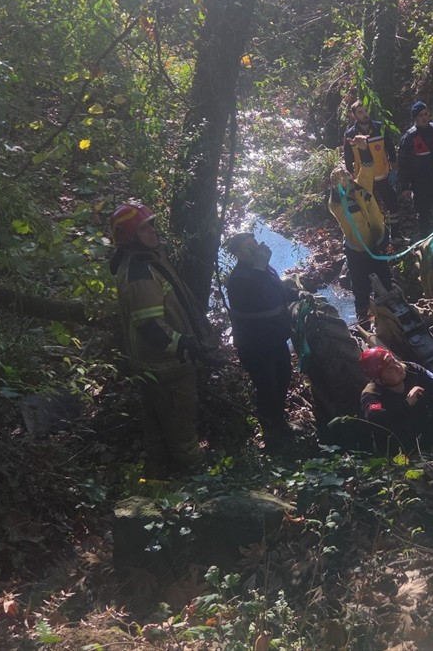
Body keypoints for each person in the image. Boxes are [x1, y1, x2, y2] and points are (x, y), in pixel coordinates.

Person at [109, 202, 214, 474]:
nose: (152, 232)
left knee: (157, 430)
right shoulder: (139, 273)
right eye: (144, 229)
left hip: (158, 366)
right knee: (182, 432)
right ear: (129, 237)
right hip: (166, 368)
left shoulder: (148, 260)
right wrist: (184, 344)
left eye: (152, 225)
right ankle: (196, 485)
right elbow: (149, 326)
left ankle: (159, 482)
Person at [223, 232, 304, 451]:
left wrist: (294, 293)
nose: (255, 248)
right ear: (238, 253)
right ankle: (272, 435)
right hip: (255, 345)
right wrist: (259, 267)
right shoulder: (238, 279)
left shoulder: (265, 269)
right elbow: (252, 294)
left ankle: (281, 423)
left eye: (255, 243)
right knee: (267, 387)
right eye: (248, 247)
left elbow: (275, 289)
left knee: (283, 379)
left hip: (275, 339)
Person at [321, 347, 433, 458]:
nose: (397, 367)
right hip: (401, 447)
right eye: (389, 370)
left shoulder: (411, 369)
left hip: (427, 428)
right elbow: (377, 419)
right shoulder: (372, 396)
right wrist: (406, 404)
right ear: (379, 379)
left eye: (394, 361)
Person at [328, 165, 393, 321]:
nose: (345, 180)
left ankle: (386, 309)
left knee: (384, 278)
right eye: (340, 180)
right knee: (360, 285)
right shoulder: (336, 204)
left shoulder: (361, 186)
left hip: (377, 242)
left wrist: (363, 148)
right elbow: (334, 201)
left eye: (346, 176)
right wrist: (338, 189)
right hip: (357, 250)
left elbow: (368, 167)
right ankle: (362, 315)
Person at [396, 100, 433, 236]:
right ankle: (425, 241)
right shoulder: (409, 138)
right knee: (423, 215)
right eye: (420, 115)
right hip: (421, 184)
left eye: (426, 114)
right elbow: (403, 164)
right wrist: (405, 186)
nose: (424, 117)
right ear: (415, 118)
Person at [342, 100, 399, 209]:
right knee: (371, 210)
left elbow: (390, 148)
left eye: (365, 110)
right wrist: (351, 180)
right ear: (353, 115)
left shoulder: (379, 128)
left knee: (393, 206)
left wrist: (394, 169)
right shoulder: (350, 134)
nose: (364, 114)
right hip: (364, 180)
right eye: (360, 112)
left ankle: (394, 226)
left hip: (383, 175)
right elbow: (348, 158)